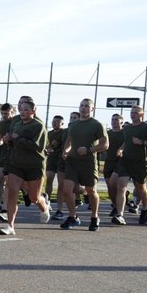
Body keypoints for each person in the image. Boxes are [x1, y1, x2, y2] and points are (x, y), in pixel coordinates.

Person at [0, 100, 51, 235]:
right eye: (21, 109)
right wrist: (8, 139)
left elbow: (38, 146)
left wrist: (19, 139)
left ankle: (44, 206)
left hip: (34, 165)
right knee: (12, 194)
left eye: (26, 109)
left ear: (33, 112)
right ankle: (10, 226)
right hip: (16, 164)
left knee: (34, 198)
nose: (23, 112)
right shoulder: (16, 125)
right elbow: (13, 143)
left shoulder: (38, 126)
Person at [59, 99, 107, 231]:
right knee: (67, 189)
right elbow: (69, 140)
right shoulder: (73, 124)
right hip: (73, 162)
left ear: (92, 109)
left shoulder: (97, 125)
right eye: (81, 106)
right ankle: (72, 216)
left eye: (87, 106)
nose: (83, 108)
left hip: (88, 163)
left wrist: (88, 150)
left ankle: (94, 217)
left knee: (91, 191)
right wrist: (66, 151)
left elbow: (105, 144)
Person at [111, 106, 147, 224]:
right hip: (126, 161)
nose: (132, 115)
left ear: (141, 115)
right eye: (131, 113)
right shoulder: (127, 129)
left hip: (141, 162)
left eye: (135, 113)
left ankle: (144, 209)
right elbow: (127, 142)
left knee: (141, 188)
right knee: (121, 186)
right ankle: (120, 215)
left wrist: (143, 142)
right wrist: (121, 149)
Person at [104, 114, 126, 215]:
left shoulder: (125, 133)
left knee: (115, 184)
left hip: (120, 162)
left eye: (116, 120)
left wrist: (122, 150)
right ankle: (115, 205)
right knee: (110, 187)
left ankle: (119, 209)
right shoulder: (107, 133)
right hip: (109, 162)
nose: (114, 121)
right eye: (112, 120)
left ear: (121, 122)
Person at [44, 115, 65, 219]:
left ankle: (60, 209)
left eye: (57, 122)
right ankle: (47, 202)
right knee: (49, 179)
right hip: (51, 160)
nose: (55, 123)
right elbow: (47, 146)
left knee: (61, 185)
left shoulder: (64, 133)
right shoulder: (49, 133)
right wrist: (48, 148)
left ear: (62, 124)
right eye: (54, 121)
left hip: (61, 160)